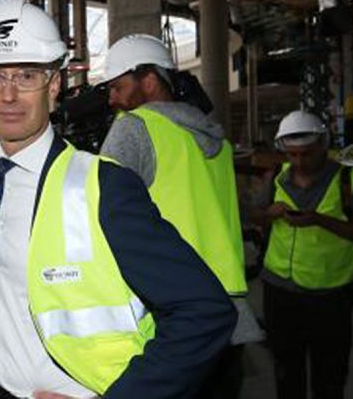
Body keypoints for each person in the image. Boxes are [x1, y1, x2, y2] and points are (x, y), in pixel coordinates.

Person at [0, 0, 235, 399]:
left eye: (26, 76)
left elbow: (205, 311)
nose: (9, 95)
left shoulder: (102, 186)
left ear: (53, 86)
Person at [98, 34, 262, 399]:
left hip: (172, 317)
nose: (112, 99)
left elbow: (95, 207)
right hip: (228, 315)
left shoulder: (135, 127)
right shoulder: (216, 141)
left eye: (118, 87)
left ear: (150, 81)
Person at [248, 110, 353, 399]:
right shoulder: (276, 179)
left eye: (306, 154)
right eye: (292, 155)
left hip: (331, 296)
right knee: (286, 373)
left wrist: (320, 221)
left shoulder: (350, 181)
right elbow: (254, 215)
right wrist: (268, 213)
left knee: (330, 378)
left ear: (323, 145)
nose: (298, 162)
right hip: (280, 293)